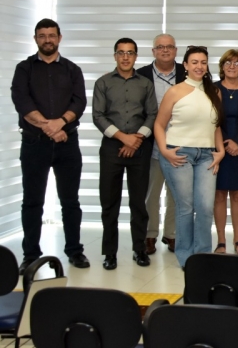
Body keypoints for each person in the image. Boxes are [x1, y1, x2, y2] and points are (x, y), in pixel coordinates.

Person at [11, 18, 90, 273]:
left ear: (59, 38)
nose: (47, 40)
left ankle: (74, 251)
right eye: (42, 35)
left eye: (52, 35)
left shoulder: (72, 69)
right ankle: (30, 255)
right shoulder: (24, 69)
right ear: (36, 39)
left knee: (70, 201)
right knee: (32, 202)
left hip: (68, 144)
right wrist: (50, 127)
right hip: (34, 143)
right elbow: (22, 102)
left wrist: (60, 123)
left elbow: (79, 102)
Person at [154, 45, 225, 268]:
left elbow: (215, 125)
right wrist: (164, 150)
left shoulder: (214, 92)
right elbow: (159, 124)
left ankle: (202, 256)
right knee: (185, 207)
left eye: (203, 62)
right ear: (185, 65)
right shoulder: (175, 91)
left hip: (206, 156)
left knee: (205, 207)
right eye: (194, 62)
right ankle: (186, 257)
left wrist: (221, 151)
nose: (199, 66)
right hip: (179, 153)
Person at [92, 38, 158, 270]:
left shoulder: (146, 84)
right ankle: (110, 253)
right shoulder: (103, 82)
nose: (125, 57)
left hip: (140, 149)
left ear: (136, 56)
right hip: (112, 148)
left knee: (139, 203)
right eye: (121, 52)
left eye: (130, 53)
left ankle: (139, 249)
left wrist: (136, 139)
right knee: (109, 203)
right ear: (115, 56)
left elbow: (152, 114)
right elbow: (98, 116)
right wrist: (123, 137)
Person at [137, 33, 185, 255]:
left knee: (177, 194)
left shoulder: (187, 73)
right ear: (153, 51)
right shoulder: (141, 75)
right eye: (160, 47)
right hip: (151, 144)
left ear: (176, 51)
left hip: (181, 143)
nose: (165, 50)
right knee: (151, 194)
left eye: (169, 47)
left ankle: (172, 235)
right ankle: (150, 235)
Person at [213, 49, 238, 256]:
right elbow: (211, 118)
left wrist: (237, 142)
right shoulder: (212, 89)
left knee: (237, 195)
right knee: (219, 195)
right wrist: (225, 142)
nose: (232, 66)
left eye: (237, 63)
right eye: (228, 62)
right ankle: (221, 241)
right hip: (217, 147)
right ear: (222, 67)